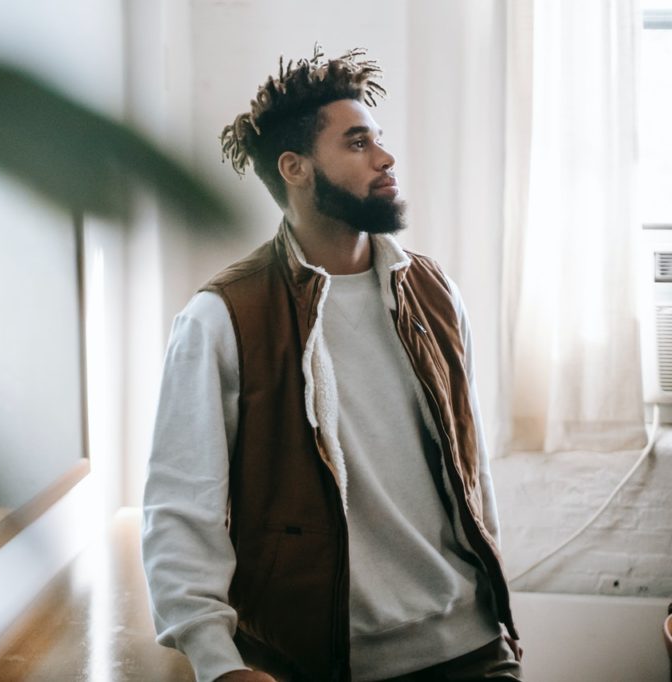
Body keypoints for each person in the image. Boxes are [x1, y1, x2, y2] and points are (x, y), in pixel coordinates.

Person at [141, 47, 523, 682]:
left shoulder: (432, 294)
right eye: (358, 143)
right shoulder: (222, 319)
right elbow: (181, 508)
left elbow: (470, 467)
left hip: (474, 647)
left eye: (378, 139)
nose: (385, 157)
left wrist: (497, 611)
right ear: (295, 168)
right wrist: (218, 662)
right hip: (316, 662)